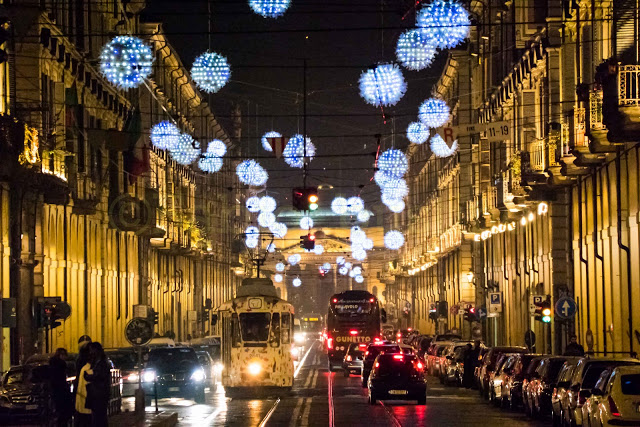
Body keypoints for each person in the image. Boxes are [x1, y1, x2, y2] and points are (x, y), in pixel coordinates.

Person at [84, 342, 110, 427]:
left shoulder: (100, 362)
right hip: (99, 393)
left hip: (98, 393)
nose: (90, 352)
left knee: (98, 417)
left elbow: (99, 376)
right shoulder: (101, 361)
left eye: (91, 350)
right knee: (100, 416)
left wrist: (88, 376)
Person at [49, 348, 72, 426]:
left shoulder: (52, 365)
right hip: (61, 392)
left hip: (55, 392)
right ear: (61, 355)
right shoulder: (61, 365)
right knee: (64, 413)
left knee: (58, 412)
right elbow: (62, 380)